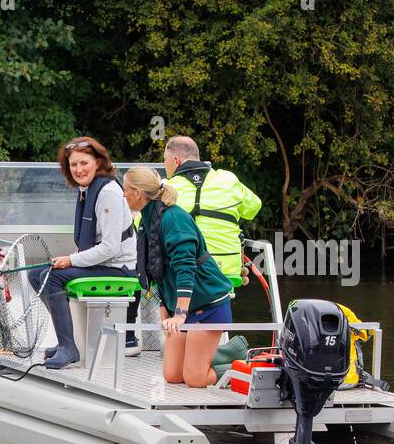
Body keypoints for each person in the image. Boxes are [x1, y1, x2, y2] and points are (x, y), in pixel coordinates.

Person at [122, 167, 235, 388]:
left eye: (125, 190)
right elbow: (159, 271)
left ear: (137, 193)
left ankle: (238, 364)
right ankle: (208, 357)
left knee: (195, 379)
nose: (123, 195)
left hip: (208, 304)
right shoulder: (147, 219)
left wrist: (180, 313)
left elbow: (185, 267)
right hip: (181, 308)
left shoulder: (173, 218)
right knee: (173, 375)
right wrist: (165, 308)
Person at [32, 136, 137, 369]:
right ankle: (66, 341)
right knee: (35, 275)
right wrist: (71, 259)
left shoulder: (107, 193)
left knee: (52, 277)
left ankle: (69, 348)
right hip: (106, 263)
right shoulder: (86, 190)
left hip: (121, 269)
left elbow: (110, 248)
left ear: (98, 162)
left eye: (84, 163)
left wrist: (71, 260)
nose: (78, 169)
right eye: (73, 165)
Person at [162, 136, 262, 284]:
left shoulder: (166, 188)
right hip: (229, 272)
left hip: (187, 272)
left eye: (164, 160)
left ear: (176, 160)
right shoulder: (228, 179)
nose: (164, 164)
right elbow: (253, 208)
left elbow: (142, 225)